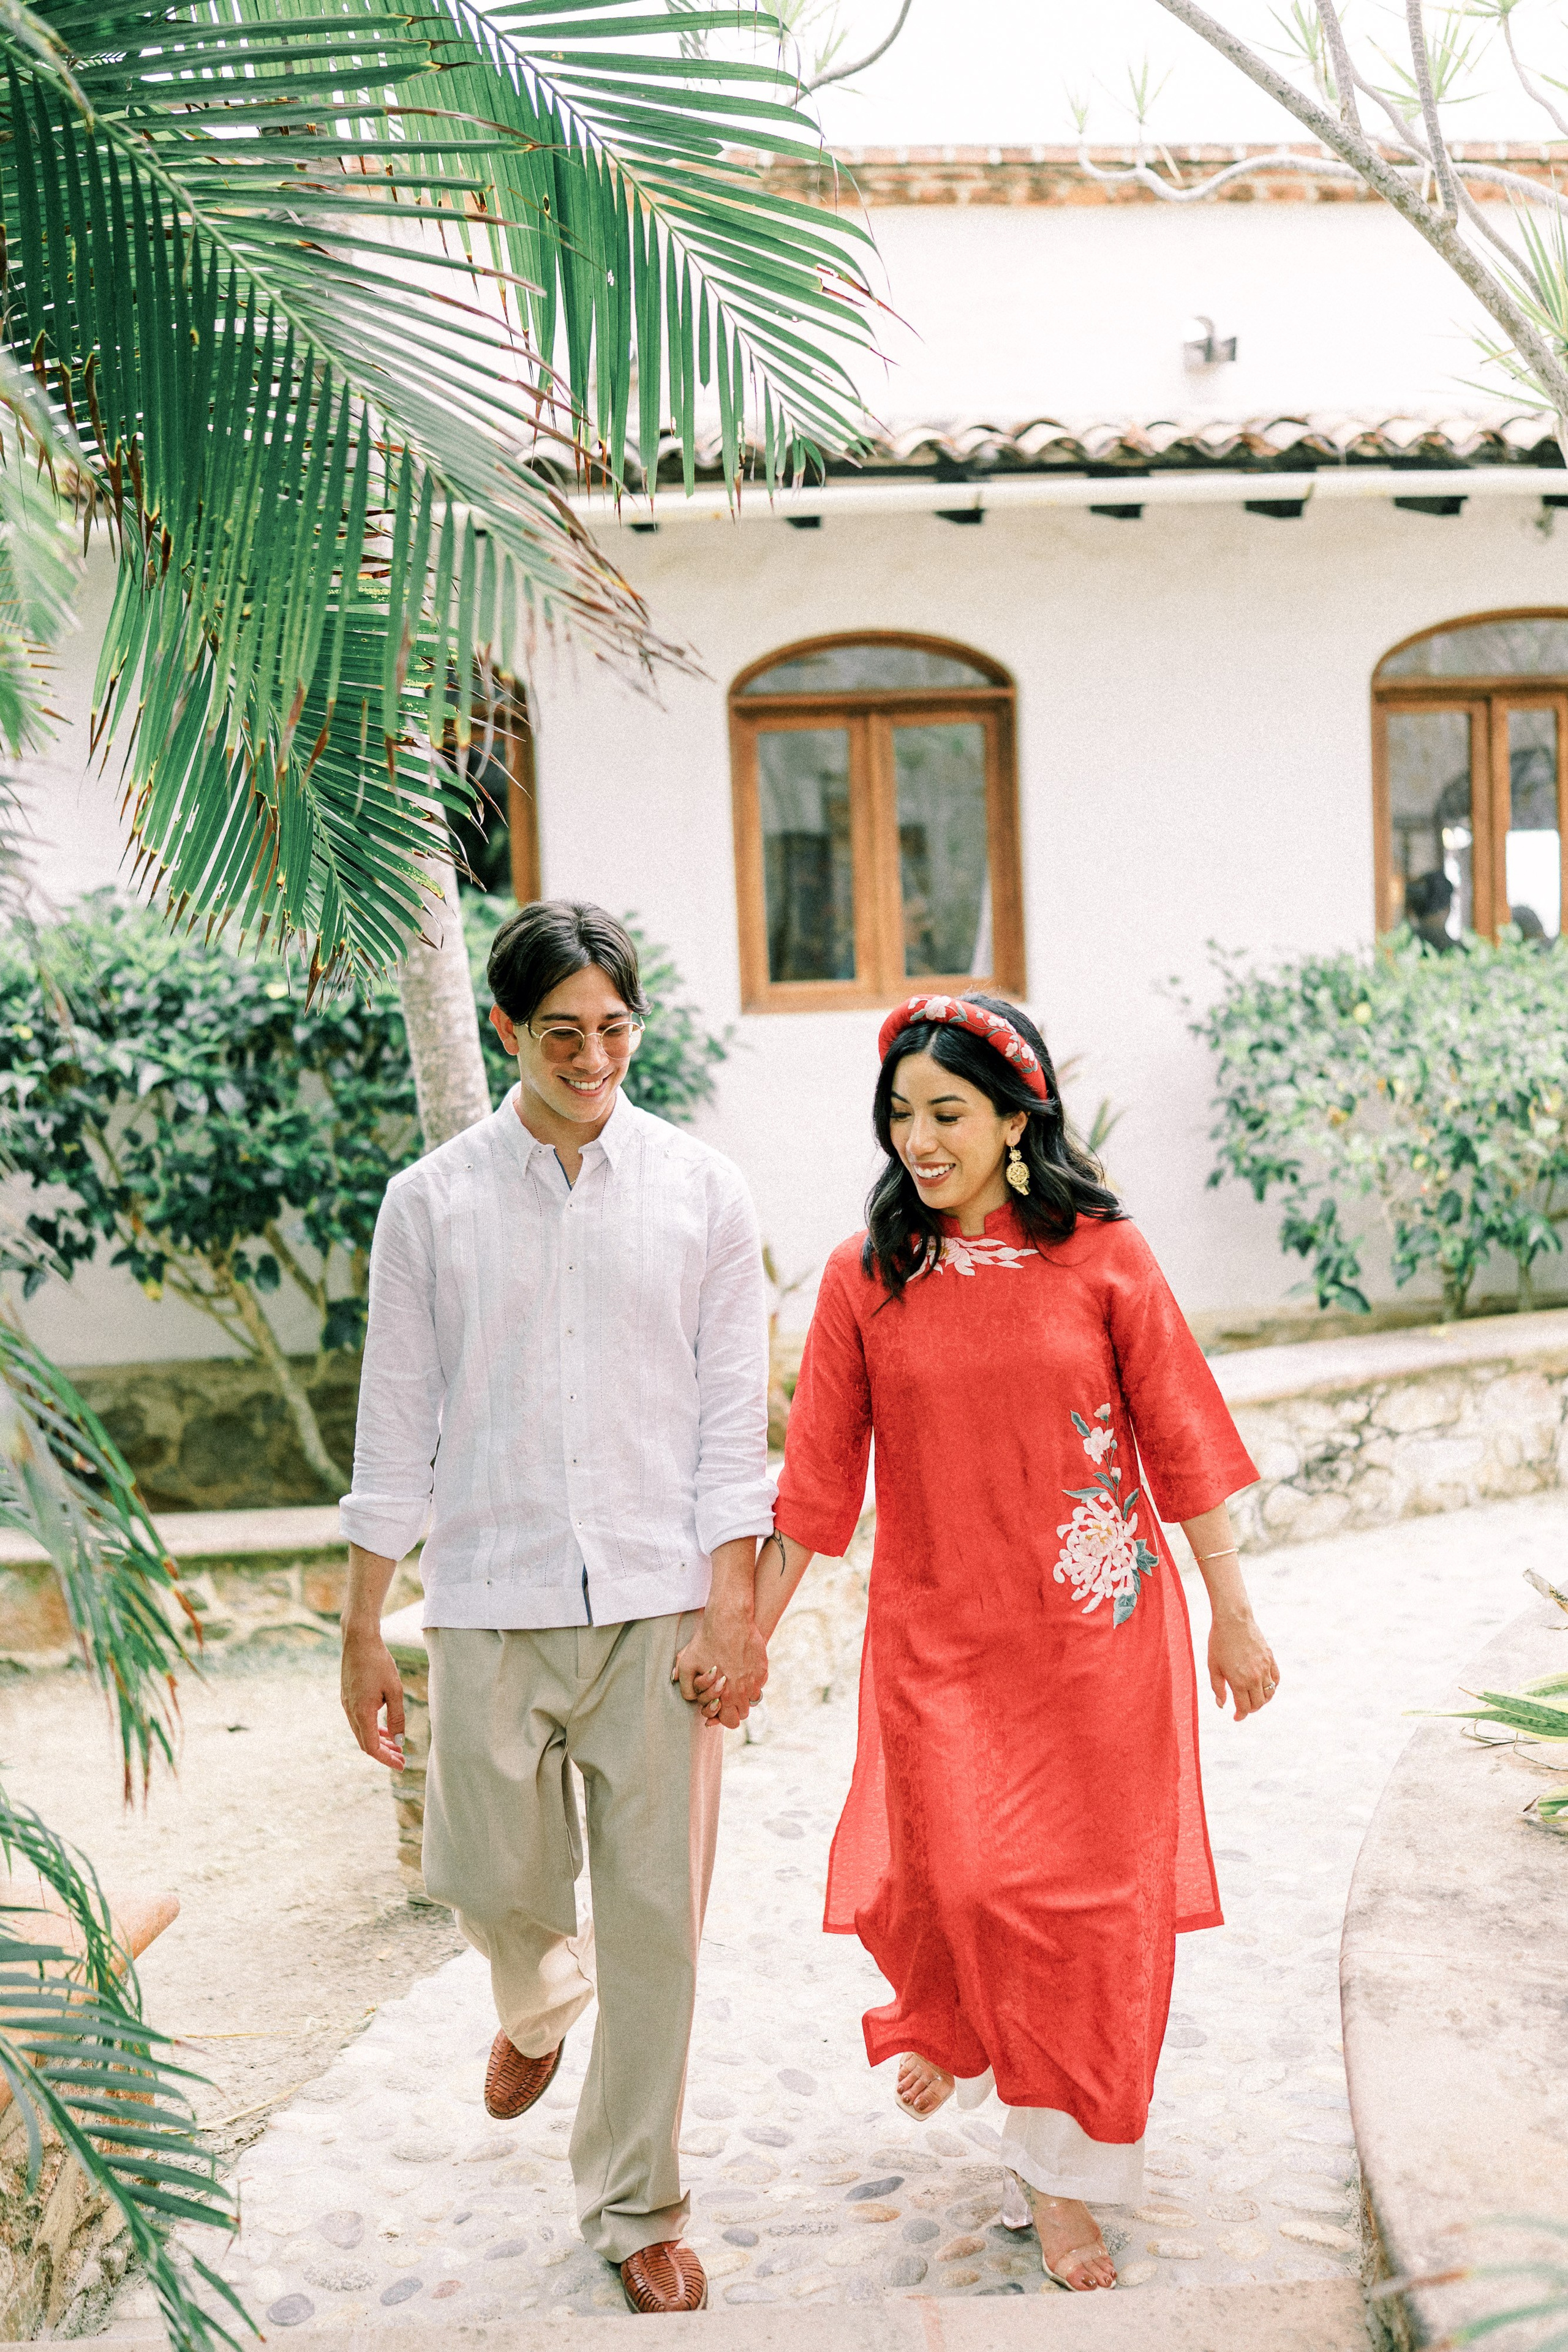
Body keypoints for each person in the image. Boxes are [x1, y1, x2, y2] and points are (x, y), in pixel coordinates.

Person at [756, 992, 1278, 2294]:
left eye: (946, 1113)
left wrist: (1232, 1610)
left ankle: (1057, 2174)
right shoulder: (865, 1276)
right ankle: (959, 2017)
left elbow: (1180, 1437)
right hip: (938, 1645)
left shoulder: (1103, 1256)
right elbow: (815, 1489)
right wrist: (744, 1638)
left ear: (1012, 1121)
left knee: (1091, 1913)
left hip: (1096, 1640)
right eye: (900, 1116)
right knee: (974, 1884)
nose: (918, 1140)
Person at [338, 900, 774, 2317]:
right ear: (505, 1030)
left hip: (658, 1610)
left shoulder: (702, 1192)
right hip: (488, 1598)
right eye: (560, 1033)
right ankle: (533, 1994)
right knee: (482, 1867)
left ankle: (637, 2206)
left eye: (613, 1029)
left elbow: (731, 1425)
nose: (592, 1058)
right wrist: (360, 1625)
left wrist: (732, 1609)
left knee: (655, 1928)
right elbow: (393, 1427)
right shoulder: (431, 1204)